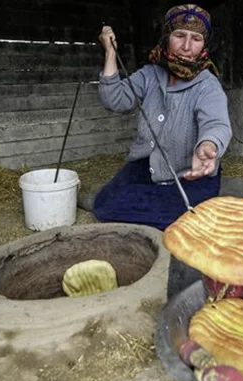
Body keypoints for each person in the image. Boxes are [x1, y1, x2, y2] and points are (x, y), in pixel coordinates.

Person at [95, 4, 232, 299]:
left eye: (196, 39)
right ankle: (169, 214)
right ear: (166, 37)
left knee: (190, 218)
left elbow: (217, 124)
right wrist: (109, 53)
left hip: (191, 175)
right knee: (104, 205)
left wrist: (208, 147)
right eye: (179, 36)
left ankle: (173, 215)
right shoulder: (150, 75)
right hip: (149, 166)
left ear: (204, 45)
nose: (186, 46)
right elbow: (115, 100)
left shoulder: (207, 86)